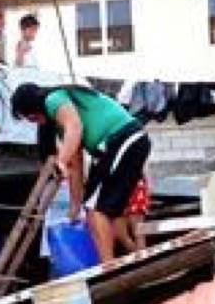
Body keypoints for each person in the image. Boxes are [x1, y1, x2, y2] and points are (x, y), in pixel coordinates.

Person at [12, 83, 151, 262]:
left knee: (97, 208)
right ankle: (109, 263)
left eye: (32, 119)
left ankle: (108, 266)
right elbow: (76, 166)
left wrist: (60, 160)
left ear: (35, 107)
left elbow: (75, 127)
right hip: (113, 147)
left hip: (123, 139)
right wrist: (75, 206)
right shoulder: (63, 127)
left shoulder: (54, 99)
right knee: (92, 207)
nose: (36, 123)